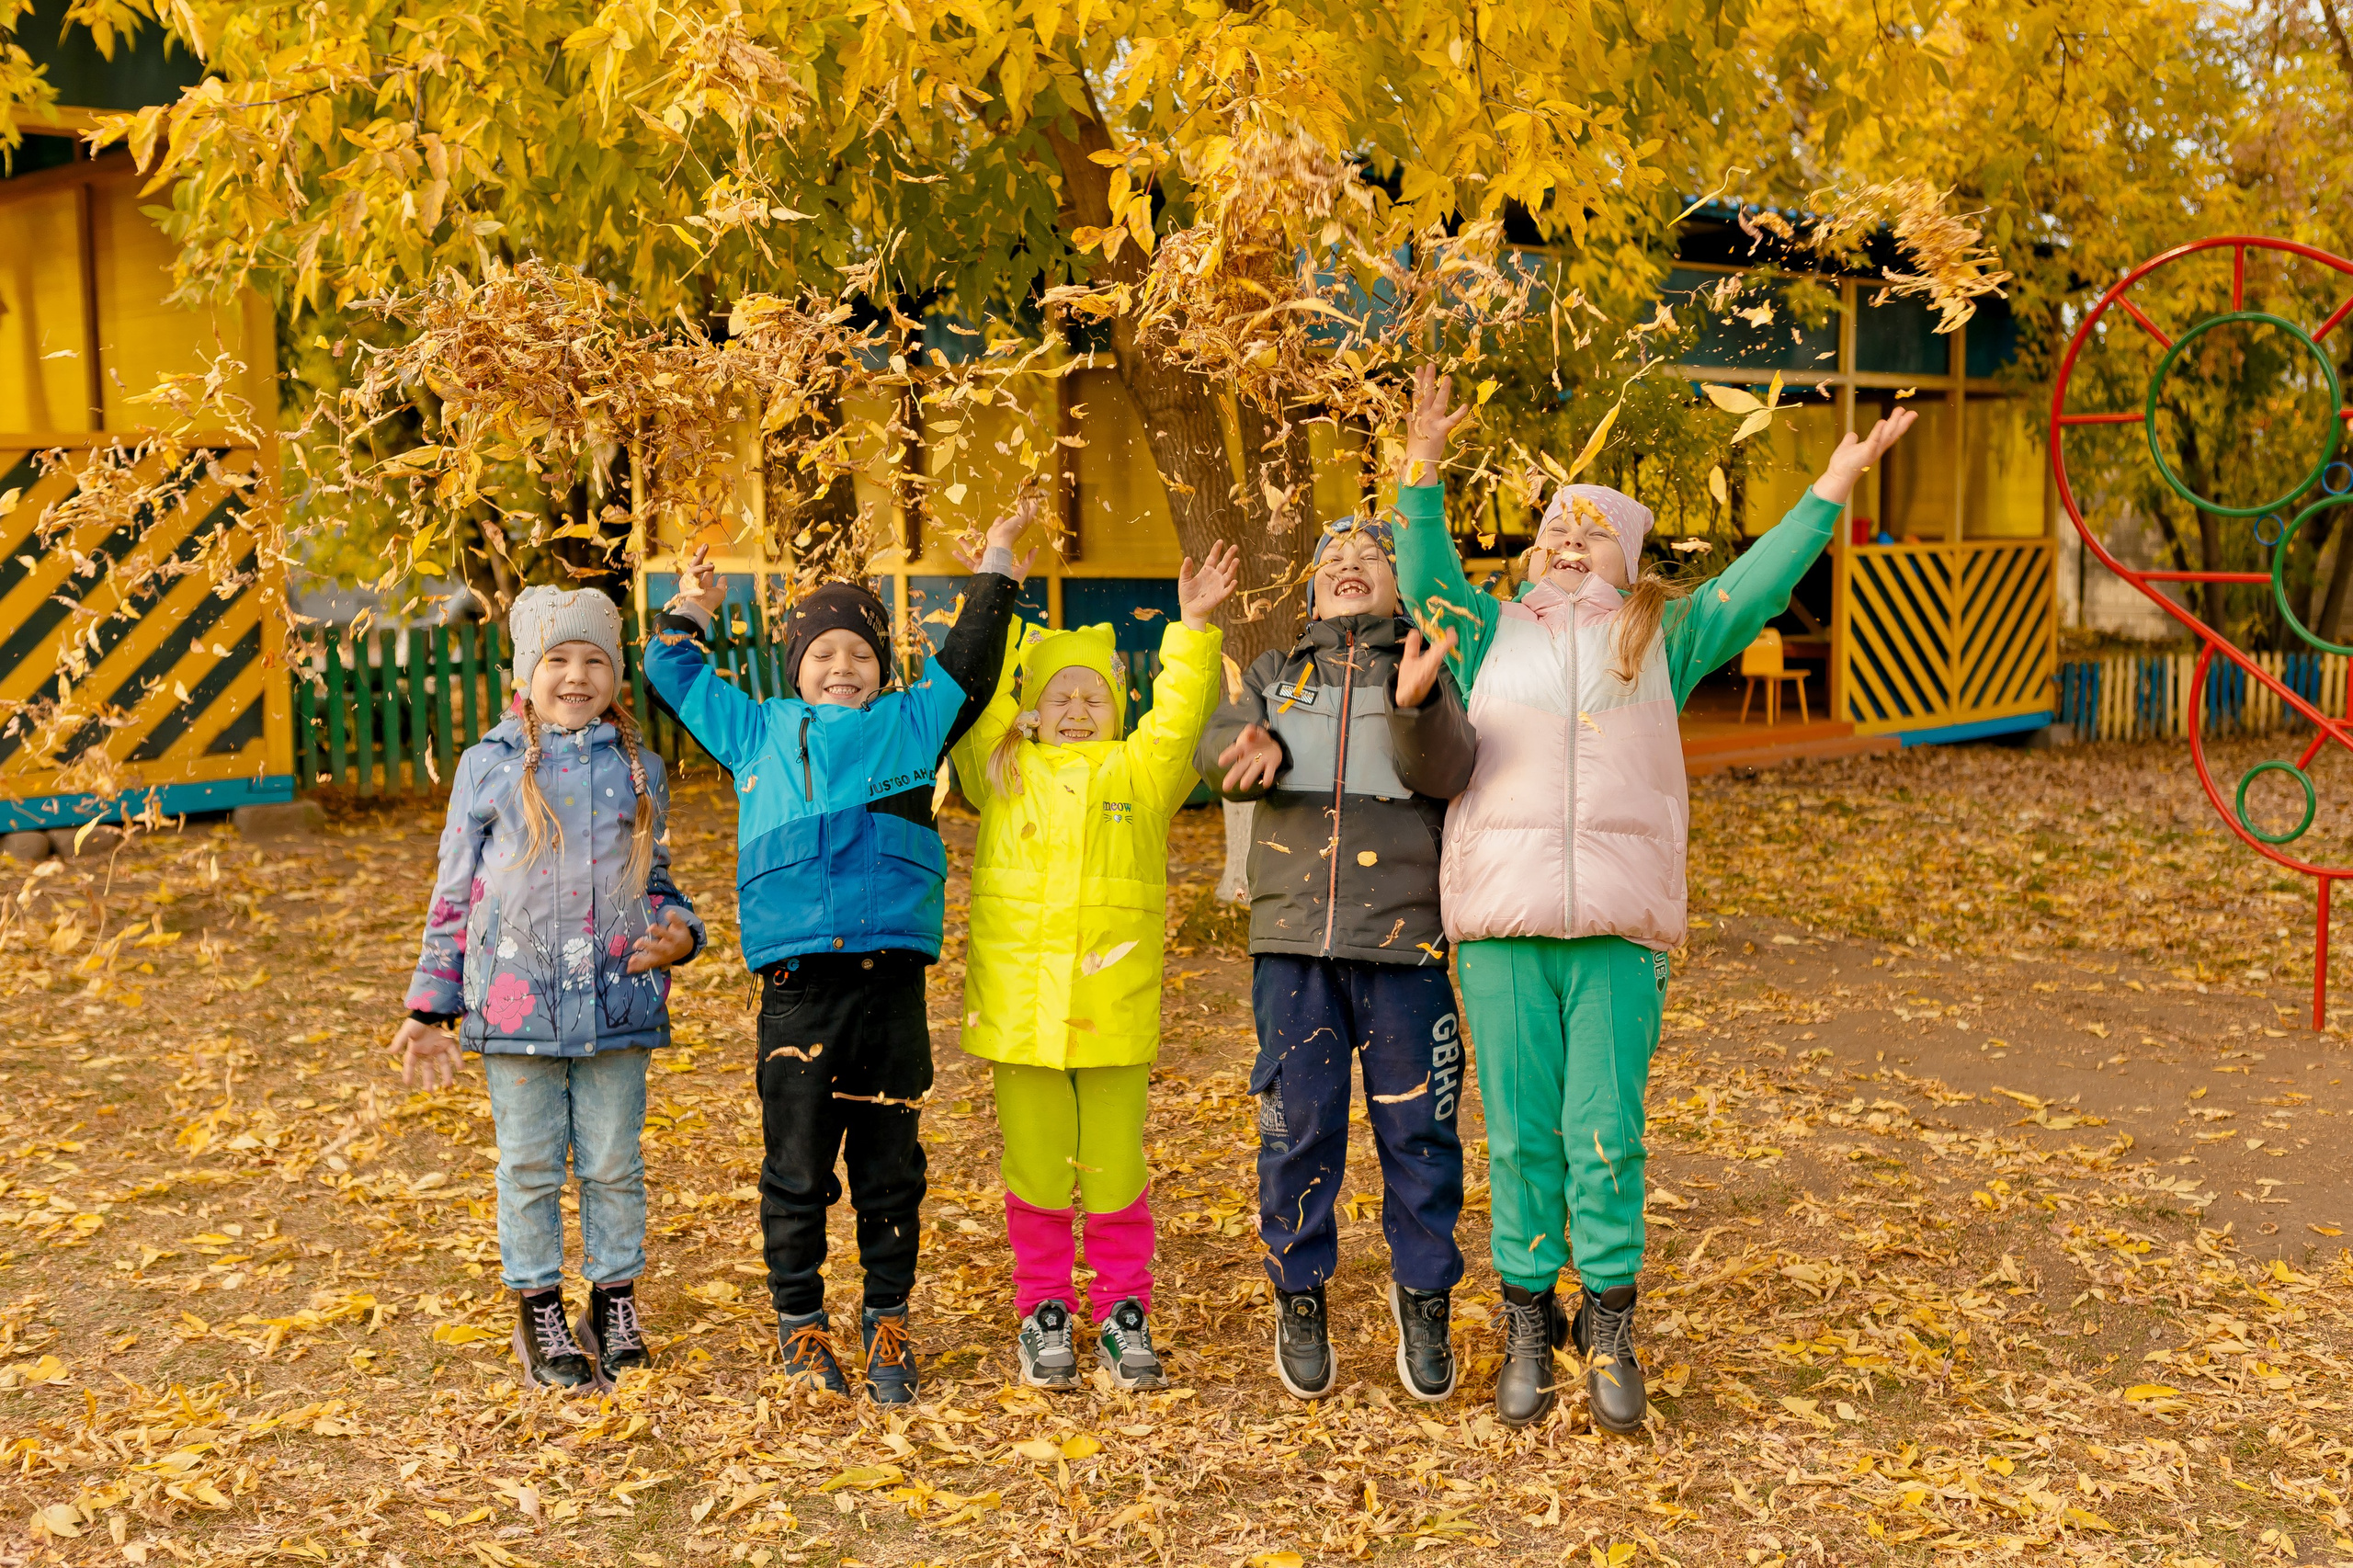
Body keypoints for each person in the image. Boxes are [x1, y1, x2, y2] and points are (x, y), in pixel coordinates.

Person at [1392, 366, 1915, 1432]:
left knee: (1604, 1131)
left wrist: (1827, 484)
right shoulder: (1488, 631)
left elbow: (1756, 587)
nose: (1569, 543)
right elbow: (1425, 569)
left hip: (1620, 932)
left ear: (1627, 557)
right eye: (1554, 531)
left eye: (1593, 533)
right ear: (1534, 552)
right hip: (1501, 926)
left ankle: (1612, 1318)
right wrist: (1422, 468)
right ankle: (1529, 1320)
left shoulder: (1659, 640)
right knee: (1523, 1132)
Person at [642, 506, 1032, 1403]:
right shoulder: (757, 731)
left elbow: (970, 659)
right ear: (795, 668)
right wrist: (691, 606)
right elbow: (670, 668)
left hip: (890, 986)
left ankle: (887, 1318)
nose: (842, 663)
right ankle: (800, 1321)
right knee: (797, 1161)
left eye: (859, 650)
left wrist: (998, 562)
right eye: (823, 651)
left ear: (882, 666)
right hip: (797, 986)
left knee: (891, 1165)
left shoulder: (912, 722)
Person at [1195, 518, 1477, 1403]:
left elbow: (1449, 770)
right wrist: (1248, 751)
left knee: (1420, 1133)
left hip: (1405, 942)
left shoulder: (1429, 667)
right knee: (1295, 1128)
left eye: (1371, 558)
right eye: (1332, 561)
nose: (1349, 568)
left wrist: (1420, 701)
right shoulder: (1276, 676)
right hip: (1294, 949)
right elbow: (1222, 746)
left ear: (1397, 584)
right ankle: (1299, 1292)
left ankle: (1424, 1296)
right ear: (1311, 590)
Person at [395, 585, 706, 1392]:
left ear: (616, 676)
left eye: (593, 659)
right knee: (530, 1165)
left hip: (618, 1001)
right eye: (556, 660)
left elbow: (659, 880)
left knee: (612, 1161)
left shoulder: (644, 768)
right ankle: (538, 1305)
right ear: (522, 677)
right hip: (515, 1002)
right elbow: (454, 892)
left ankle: (614, 1299)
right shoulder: (486, 768)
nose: (576, 676)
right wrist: (432, 1005)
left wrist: (681, 934)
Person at [949, 543, 1238, 1392]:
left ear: (1118, 708)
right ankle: (1042, 1307)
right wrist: (995, 587)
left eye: (1094, 695)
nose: (1075, 707)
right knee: (1035, 1167)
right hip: (1021, 1012)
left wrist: (1190, 630)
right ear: (1031, 708)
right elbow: (979, 694)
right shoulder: (998, 770)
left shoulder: (1139, 774)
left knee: (1115, 1168)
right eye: (1057, 695)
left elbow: (1181, 719)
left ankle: (1122, 1308)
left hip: (1111, 1009)